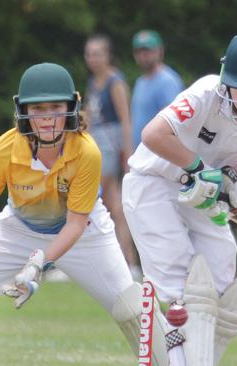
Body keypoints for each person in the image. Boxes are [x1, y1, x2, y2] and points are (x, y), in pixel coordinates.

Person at [0, 63, 173, 365]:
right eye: (38, 108)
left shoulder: (86, 152)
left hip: (85, 231)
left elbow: (75, 224)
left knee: (132, 307)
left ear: (72, 107)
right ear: (24, 111)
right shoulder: (2, 150)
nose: (47, 117)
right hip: (18, 227)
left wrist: (38, 263)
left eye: (56, 107)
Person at [123, 29, 237, 366]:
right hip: (154, 182)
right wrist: (199, 168)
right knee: (175, 274)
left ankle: (197, 358)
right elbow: (153, 134)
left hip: (204, 194)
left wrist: (233, 175)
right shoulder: (205, 93)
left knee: (218, 273)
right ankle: (174, 357)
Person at [84, 34, 140, 279]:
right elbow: (88, 118)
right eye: (89, 54)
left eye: (97, 53)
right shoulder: (91, 83)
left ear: (107, 55)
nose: (92, 59)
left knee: (87, 200)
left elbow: (126, 121)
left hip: (108, 146)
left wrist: (128, 155)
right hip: (94, 145)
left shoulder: (115, 82)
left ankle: (80, 259)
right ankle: (128, 263)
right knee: (115, 209)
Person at [131, 29, 184, 150]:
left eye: (147, 51)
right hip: (140, 152)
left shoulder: (168, 81)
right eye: (139, 51)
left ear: (160, 51)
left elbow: (173, 123)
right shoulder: (140, 82)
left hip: (158, 153)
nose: (143, 56)